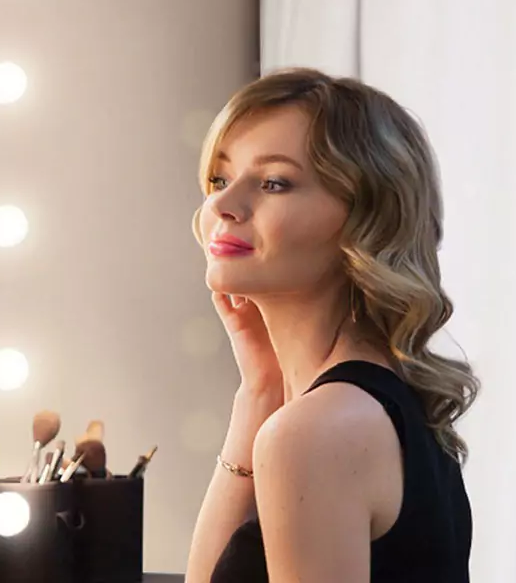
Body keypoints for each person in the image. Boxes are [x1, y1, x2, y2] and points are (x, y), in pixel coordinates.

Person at [185, 69, 478, 583]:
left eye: (274, 182)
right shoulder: (365, 406)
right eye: (220, 179)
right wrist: (259, 388)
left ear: (366, 220)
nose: (222, 206)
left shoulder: (317, 432)